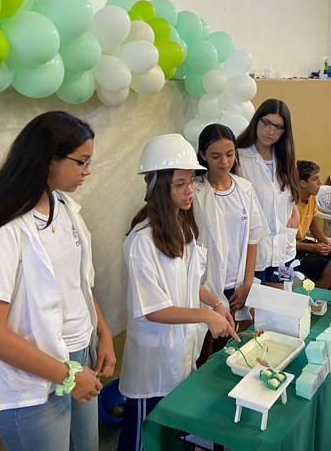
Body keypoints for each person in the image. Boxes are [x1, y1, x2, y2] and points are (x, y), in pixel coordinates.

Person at [0, 111, 116, 451]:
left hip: (80, 356)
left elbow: (79, 285)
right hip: (33, 376)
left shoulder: (65, 207)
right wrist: (67, 375)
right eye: (81, 162)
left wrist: (103, 334)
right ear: (49, 159)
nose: (87, 171)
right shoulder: (3, 232)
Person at [118, 133, 238, 451]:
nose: (189, 191)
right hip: (153, 362)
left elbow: (187, 283)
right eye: (179, 185)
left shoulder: (181, 226)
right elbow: (154, 308)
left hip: (180, 353)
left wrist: (216, 303)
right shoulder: (142, 241)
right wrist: (206, 316)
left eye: (190, 182)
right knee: (143, 437)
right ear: (159, 188)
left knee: (171, 434)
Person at [192, 124, 264, 363]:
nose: (224, 162)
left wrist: (248, 283)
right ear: (202, 155)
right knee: (202, 351)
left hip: (237, 286)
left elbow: (253, 238)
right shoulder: (194, 192)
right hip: (206, 285)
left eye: (230, 154)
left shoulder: (244, 189)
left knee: (226, 349)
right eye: (215, 156)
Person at [236, 99, 301, 286]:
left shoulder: (285, 160)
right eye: (266, 123)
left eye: (278, 127)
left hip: (284, 250)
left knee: (281, 298)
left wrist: (295, 214)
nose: (270, 131)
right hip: (253, 253)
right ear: (256, 120)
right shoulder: (239, 158)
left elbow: (289, 195)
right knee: (253, 302)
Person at [294, 160, 331, 290]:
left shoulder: (311, 197)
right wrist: (313, 248)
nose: (320, 183)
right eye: (315, 179)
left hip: (304, 243)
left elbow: (313, 223)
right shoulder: (290, 203)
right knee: (330, 268)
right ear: (303, 183)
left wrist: (325, 241)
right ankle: (313, 298)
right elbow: (285, 243)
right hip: (292, 250)